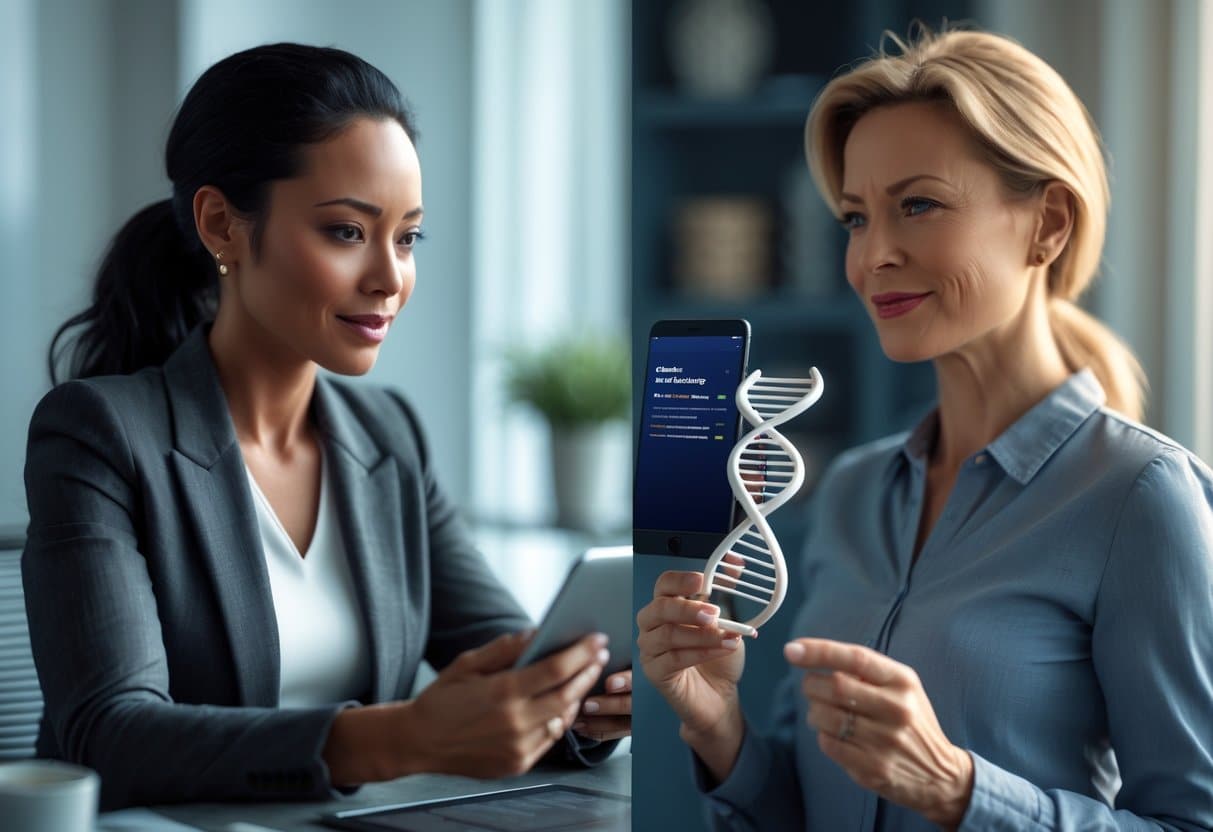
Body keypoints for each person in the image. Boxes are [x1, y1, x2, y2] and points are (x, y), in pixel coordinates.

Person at [22, 43, 630, 811]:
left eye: (408, 237)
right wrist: (404, 737)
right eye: (347, 231)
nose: (389, 279)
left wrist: (582, 700)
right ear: (223, 226)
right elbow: (108, 733)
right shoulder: (101, 434)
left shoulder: (386, 437)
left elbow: (508, 657)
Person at [637, 27, 1213, 830]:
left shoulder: (1141, 498)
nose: (872, 256)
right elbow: (802, 811)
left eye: (917, 205)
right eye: (853, 218)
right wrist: (716, 724)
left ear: (1047, 222)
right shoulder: (851, 491)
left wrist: (955, 789)